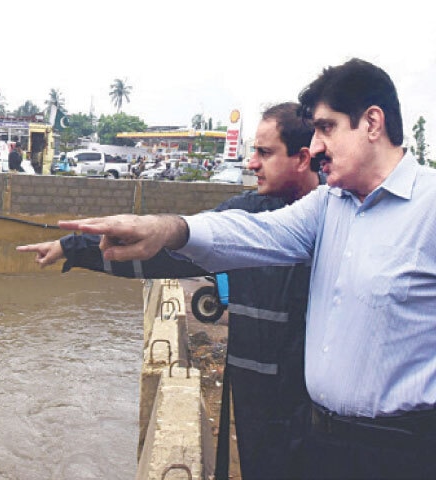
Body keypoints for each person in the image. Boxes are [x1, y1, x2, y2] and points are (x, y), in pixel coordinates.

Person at [43, 58, 436, 479]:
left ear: (372, 122)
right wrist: (168, 229)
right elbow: (250, 233)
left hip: (403, 452)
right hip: (318, 441)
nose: (318, 145)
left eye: (327, 127)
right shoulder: (328, 206)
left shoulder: (429, 210)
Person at [18, 102, 321, 479]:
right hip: (257, 410)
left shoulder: (337, 225)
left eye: (264, 152)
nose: (252, 163)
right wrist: (72, 248)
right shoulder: (246, 219)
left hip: (320, 418)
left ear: (303, 158)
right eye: (252, 152)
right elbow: (168, 253)